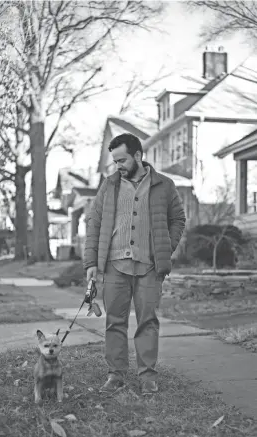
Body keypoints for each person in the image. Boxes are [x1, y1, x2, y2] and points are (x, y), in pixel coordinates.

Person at [84, 133, 186, 395]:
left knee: (147, 321)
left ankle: (147, 376)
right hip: (115, 265)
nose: (118, 165)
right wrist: (91, 263)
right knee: (114, 322)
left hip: (149, 267)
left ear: (138, 156)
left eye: (122, 159)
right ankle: (115, 375)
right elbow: (94, 224)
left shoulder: (164, 184)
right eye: (115, 161)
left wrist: (165, 247)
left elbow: (178, 219)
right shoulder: (109, 186)